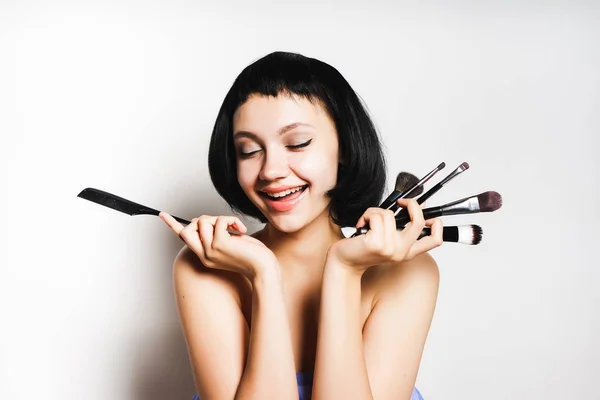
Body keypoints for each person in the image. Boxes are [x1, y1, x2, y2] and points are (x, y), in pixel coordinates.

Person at [159, 51, 443, 400]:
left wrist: (344, 270)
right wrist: (263, 274)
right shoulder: (203, 268)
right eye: (248, 151)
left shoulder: (407, 272)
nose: (271, 170)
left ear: (346, 149)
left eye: (298, 143)